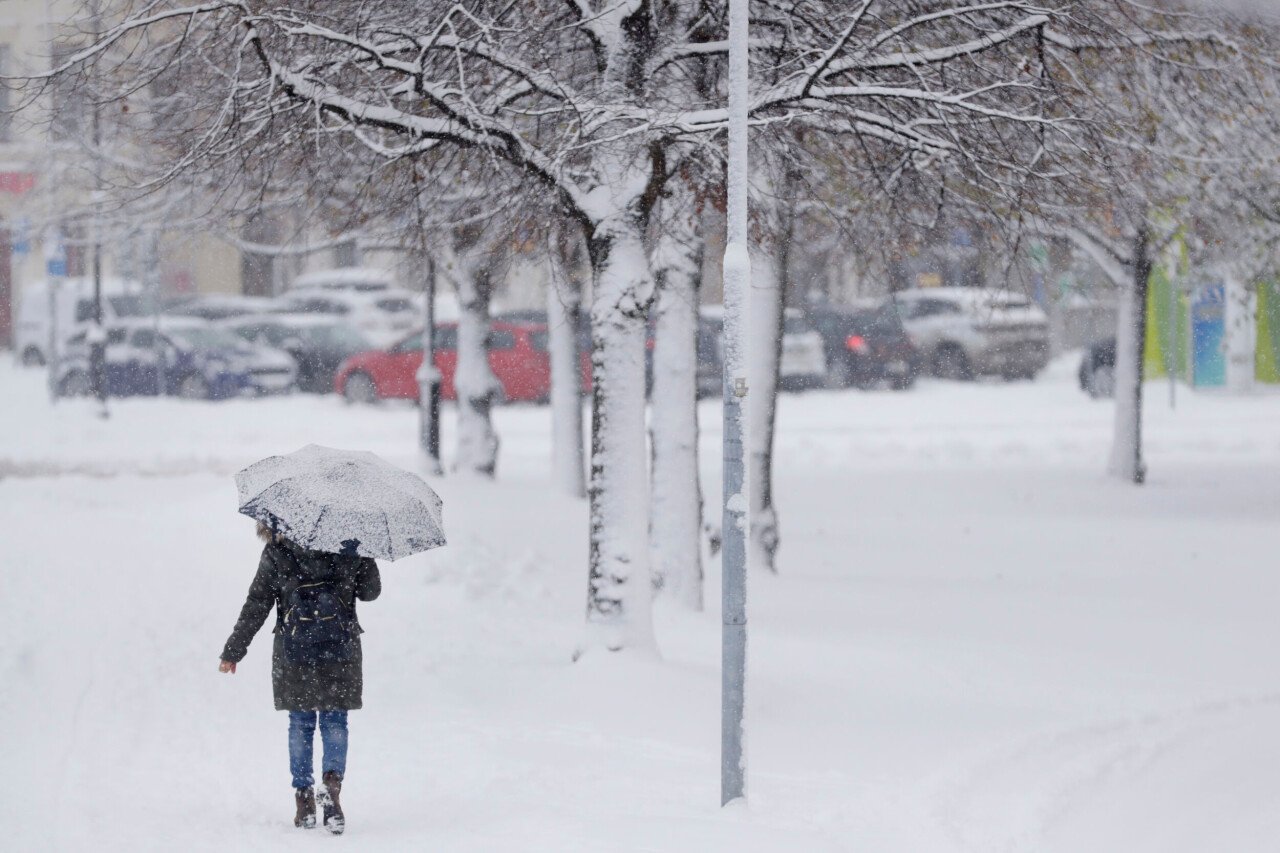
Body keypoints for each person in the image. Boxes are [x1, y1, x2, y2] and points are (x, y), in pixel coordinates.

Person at [219, 523, 381, 834]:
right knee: (335, 721)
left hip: (295, 650)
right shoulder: (350, 543)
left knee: (301, 722)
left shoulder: (279, 547)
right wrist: (365, 552)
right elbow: (370, 593)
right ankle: (331, 791)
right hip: (340, 649)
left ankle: (304, 799)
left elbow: (257, 603)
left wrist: (234, 650)